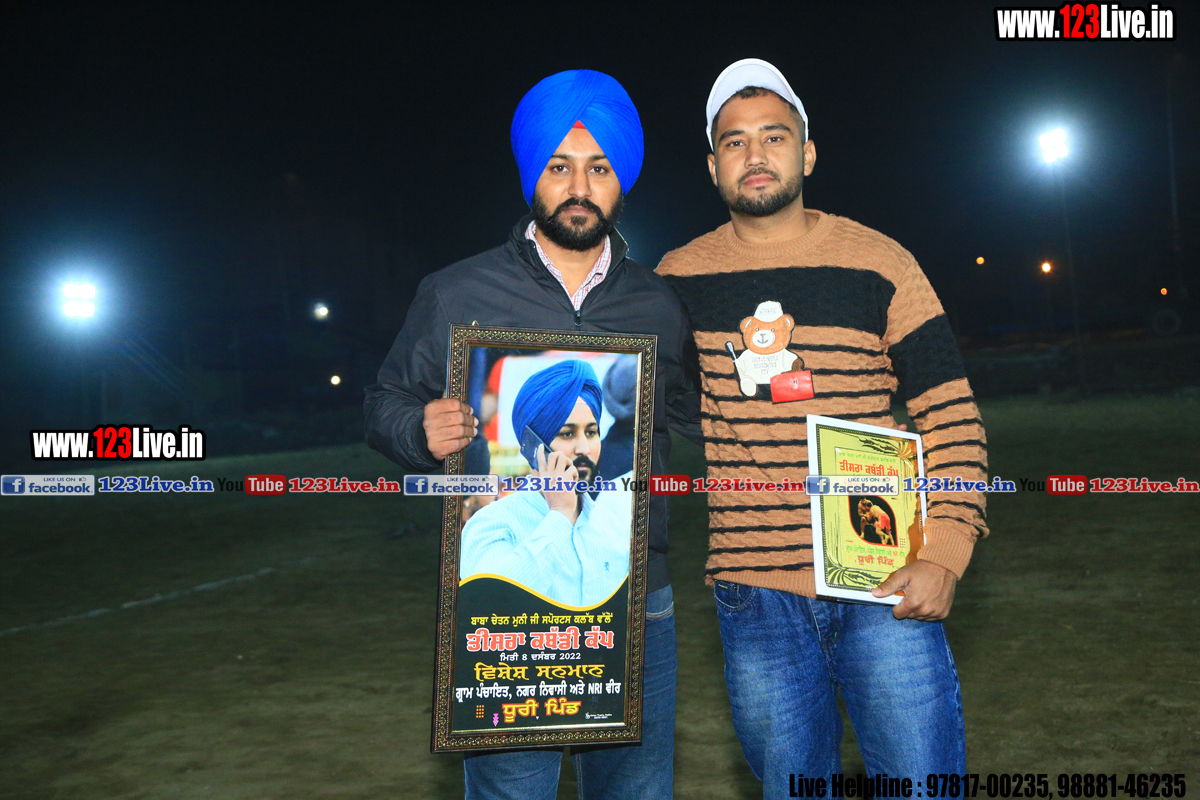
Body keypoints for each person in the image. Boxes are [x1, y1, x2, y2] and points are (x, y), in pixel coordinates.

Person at [364, 69, 699, 800]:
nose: (579, 187)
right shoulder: (455, 292)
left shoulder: (659, 304)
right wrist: (418, 428)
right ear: (531, 178)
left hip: (638, 599)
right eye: (559, 167)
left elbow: (699, 416)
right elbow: (384, 400)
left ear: (621, 181)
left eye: (599, 168)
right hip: (505, 607)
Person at [657, 58, 990, 790]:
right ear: (713, 166)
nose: (755, 154)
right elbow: (632, 397)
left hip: (883, 574)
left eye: (774, 137)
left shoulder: (880, 261)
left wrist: (946, 551)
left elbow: (950, 414)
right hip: (754, 591)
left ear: (806, 154)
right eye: (735, 141)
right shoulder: (676, 280)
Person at [459, 359, 632, 607]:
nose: (584, 448)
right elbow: (495, 602)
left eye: (591, 432)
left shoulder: (613, 525)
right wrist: (560, 515)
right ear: (534, 445)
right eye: (567, 434)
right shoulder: (492, 525)